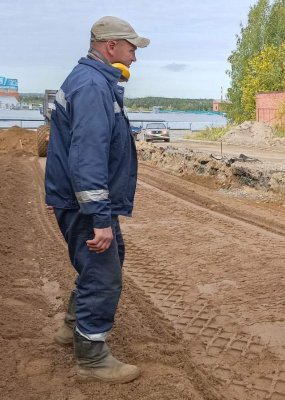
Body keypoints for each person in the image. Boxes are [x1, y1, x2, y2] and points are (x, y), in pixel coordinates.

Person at [45, 16, 149, 383]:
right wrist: (100, 219)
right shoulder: (91, 86)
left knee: (107, 263)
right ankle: (91, 357)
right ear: (111, 46)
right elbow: (87, 156)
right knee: (104, 276)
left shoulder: (93, 82)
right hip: (84, 204)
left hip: (76, 201)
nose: (135, 55)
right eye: (131, 46)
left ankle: (70, 326)